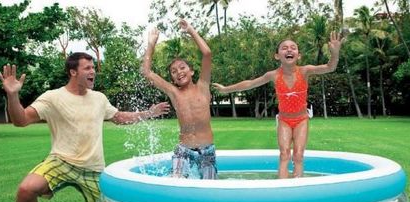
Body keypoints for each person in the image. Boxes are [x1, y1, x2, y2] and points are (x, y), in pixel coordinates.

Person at [0, 52, 170, 202]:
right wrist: (13, 95)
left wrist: (148, 113)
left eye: (93, 68)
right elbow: (21, 121)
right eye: (87, 68)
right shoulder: (53, 97)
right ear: (73, 72)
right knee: (26, 190)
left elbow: (119, 117)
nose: (93, 72)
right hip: (60, 161)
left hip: (93, 168)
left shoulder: (99, 98)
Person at [213, 32, 344, 178]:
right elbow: (250, 84)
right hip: (284, 120)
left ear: (298, 55)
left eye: (293, 48)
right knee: (284, 154)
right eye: (284, 48)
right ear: (277, 56)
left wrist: (335, 53)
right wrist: (226, 89)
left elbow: (330, 67)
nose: (289, 50)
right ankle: (282, 188)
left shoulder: (305, 71)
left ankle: (298, 187)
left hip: (301, 119)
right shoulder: (273, 75)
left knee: (299, 155)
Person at [142, 19, 217, 179]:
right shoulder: (174, 93)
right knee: (176, 185)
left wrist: (190, 30)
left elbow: (207, 53)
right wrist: (151, 45)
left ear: (191, 72)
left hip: (207, 152)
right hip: (184, 151)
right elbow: (147, 72)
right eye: (174, 71)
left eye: (182, 68)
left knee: (209, 191)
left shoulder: (203, 86)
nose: (179, 72)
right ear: (172, 79)